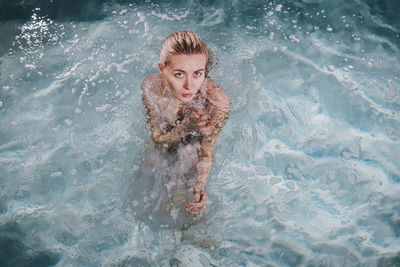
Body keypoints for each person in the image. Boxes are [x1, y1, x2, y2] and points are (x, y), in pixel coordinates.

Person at [141, 31, 230, 217]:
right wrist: (186, 126)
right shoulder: (152, 88)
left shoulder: (217, 103)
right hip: (165, 141)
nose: (190, 85)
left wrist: (200, 185)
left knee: (189, 210)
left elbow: (207, 151)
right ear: (161, 69)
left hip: (192, 149)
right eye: (179, 74)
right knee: (147, 183)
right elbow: (157, 139)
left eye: (198, 73)